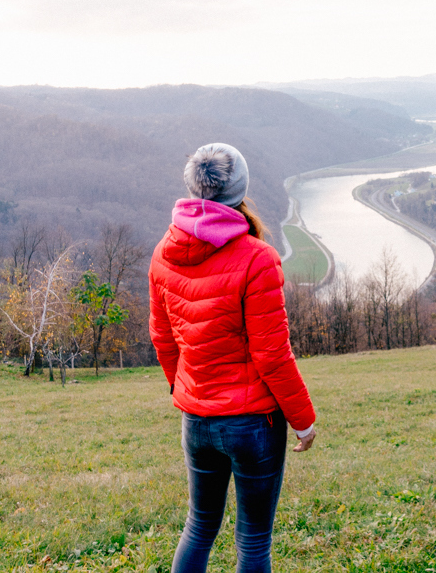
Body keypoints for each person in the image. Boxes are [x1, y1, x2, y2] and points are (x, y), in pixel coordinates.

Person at [148, 143, 316, 573]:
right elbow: (272, 354)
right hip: (252, 424)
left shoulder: (164, 252)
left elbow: (163, 338)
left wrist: (182, 387)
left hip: (196, 420)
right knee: (254, 541)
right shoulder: (257, 258)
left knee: (199, 526)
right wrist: (304, 420)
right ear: (240, 188)